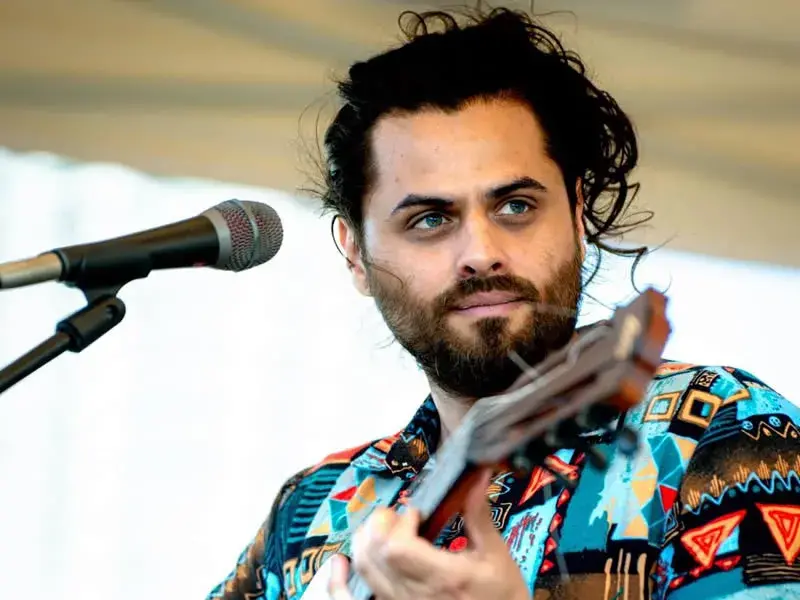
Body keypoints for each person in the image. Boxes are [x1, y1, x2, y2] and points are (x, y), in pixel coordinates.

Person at [206, 7, 800, 600]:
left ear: (577, 213)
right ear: (355, 254)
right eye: (430, 219)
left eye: (516, 206)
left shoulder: (720, 430)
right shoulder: (309, 513)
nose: (481, 253)